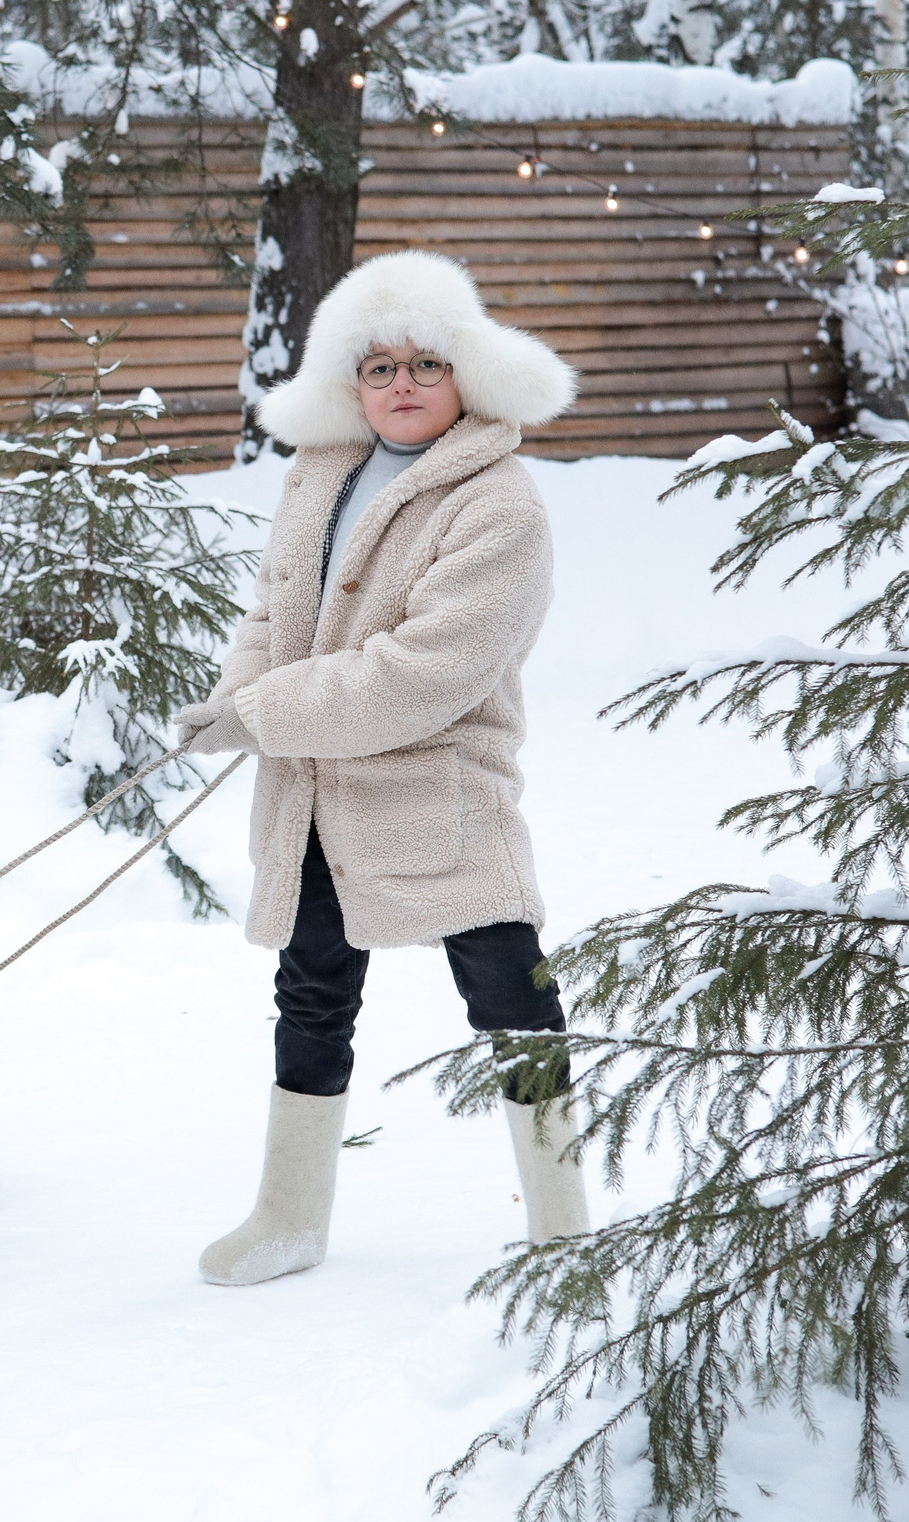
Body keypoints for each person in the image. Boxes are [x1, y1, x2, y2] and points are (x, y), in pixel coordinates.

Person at [175, 250, 589, 1287]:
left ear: (468, 374)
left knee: (509, 991)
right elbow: (272, 614)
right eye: (376, 367)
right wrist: (233, 696)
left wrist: (262, 713)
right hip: (314, 794)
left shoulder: (499, 504)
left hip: (437, 795)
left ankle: (562, 1225)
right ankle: (287, 1213)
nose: (400, 383)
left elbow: (426, 671)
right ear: (344, 382)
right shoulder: (319, 473)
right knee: (309, 990)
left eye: (424, 362)